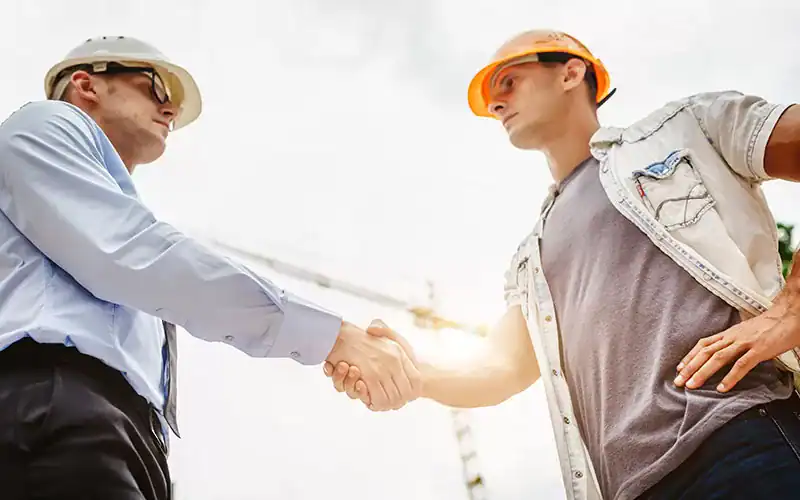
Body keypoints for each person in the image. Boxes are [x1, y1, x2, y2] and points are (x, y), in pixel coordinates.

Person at [324, 29, 800, 500]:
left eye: (508, 81)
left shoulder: (685, 129)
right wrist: (413, 376)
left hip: (743, 442)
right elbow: (502, 368)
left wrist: (790, 310)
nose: (496, 103)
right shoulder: (531, 258)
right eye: (492, 98)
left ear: (571, 72)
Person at [0, 35, 420, 500]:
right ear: (86, 84)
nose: (170, 111)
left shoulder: (103, 207)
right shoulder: (45, 124)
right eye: (158, 88)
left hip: (113, 433)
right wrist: (335, 337)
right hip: (51, 409)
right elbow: (137, 256)